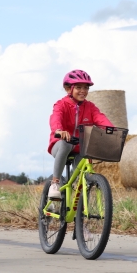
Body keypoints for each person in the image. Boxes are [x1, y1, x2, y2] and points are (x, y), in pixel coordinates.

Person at [47, 69, 113, 199]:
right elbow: (56, 118)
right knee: (65, 145)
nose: (83, 91)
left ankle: (72, 189)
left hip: (80, 147)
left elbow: (100, 118)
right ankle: (55, 183)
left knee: (84, 161)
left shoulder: (90, 107)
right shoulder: (61, 105)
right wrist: (59, 130)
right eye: (78, 87)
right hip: (60, 144)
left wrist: (111, 130)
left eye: (86, 87)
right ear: (68, 89)